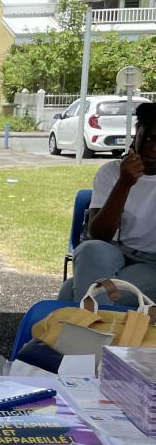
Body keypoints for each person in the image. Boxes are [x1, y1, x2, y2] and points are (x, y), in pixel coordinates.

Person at [61, 101, 156, 305]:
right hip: (114, 251)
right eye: (148, 137)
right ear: (137, 132)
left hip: (151, 263)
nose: (153, 147)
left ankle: (90, 330)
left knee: (69, 292)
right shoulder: (112, 172)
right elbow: (99, 234)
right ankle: (96, 330)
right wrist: (124, 184)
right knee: (90, 249)